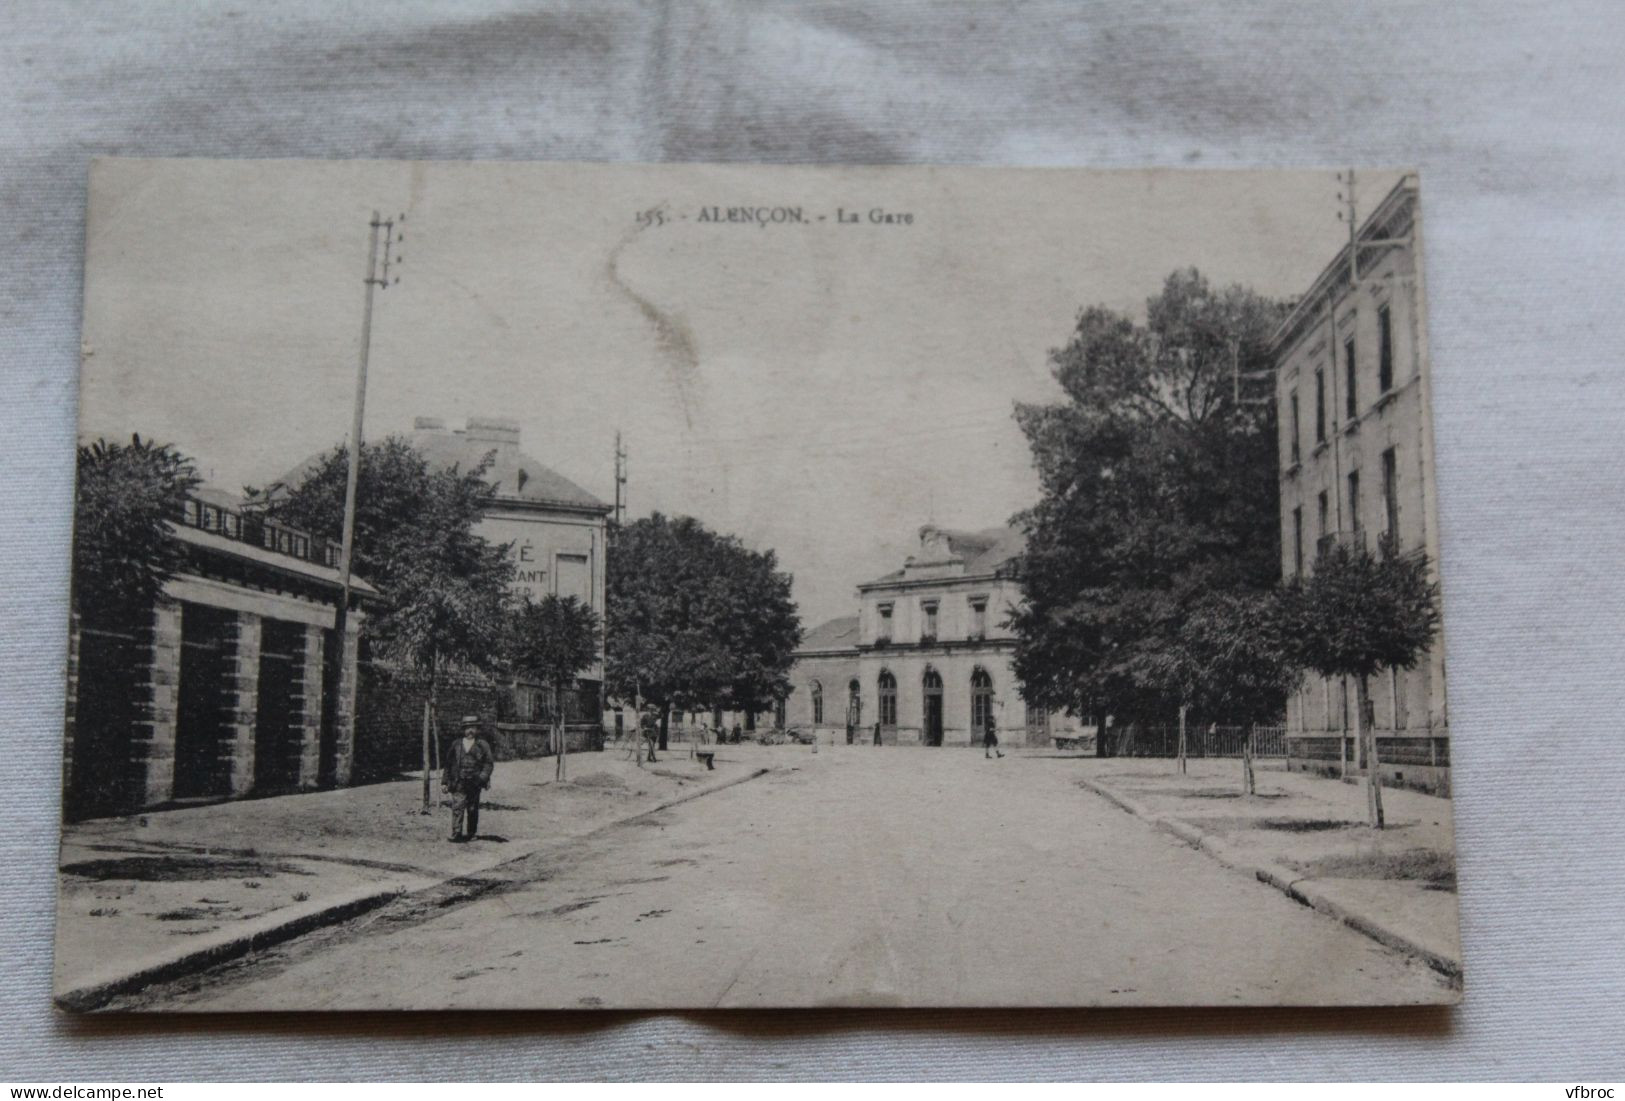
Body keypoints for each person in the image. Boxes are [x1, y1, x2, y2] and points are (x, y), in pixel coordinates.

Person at [443, 715, 495, 842]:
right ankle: (456, 832)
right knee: (457, 807)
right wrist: (445, 782)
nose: (470, 731)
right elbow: (448, 764)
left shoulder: (482, 745)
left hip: (474, 782)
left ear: (477, 729)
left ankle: (471, 833)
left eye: (473, 727)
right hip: (458, 781)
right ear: (463, 730)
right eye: (467, 728)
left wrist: (483, 778)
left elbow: (488, 763)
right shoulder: (456, 744)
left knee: (472, 808)